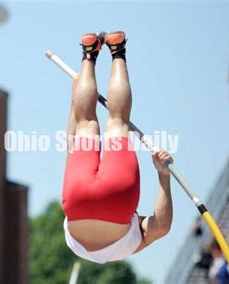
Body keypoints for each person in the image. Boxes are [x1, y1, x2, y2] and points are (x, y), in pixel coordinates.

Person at [62, 31, 174, 264]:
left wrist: (164, 176)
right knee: (85, 122)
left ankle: (118, 50)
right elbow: (71, 146)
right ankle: (88, 55)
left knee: (117, 121)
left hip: (118, 196)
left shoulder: (131, 243)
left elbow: (161, 226)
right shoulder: (80, 247)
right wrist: (75, 99)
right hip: (77, 198)